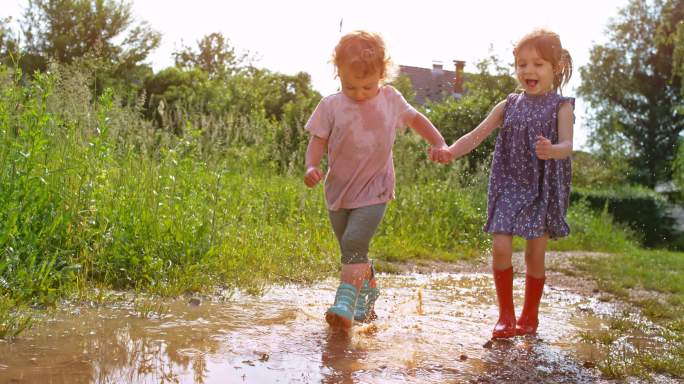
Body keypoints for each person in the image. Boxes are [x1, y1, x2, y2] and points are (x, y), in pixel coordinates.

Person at [304, 30, 449, 330]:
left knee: (355, 242)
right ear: (338, 74)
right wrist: (311, 166)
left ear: (382, 74)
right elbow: (318, 140)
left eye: (367, 86)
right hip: (338, 191)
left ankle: (345, 302)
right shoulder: (331, 105)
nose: (358, 93)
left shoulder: (390, 99)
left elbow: (416, 119)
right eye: (350, 86)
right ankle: (368, 290)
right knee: (350, 249)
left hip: (375, 188)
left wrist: (439, 142)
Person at [435, 29, 574, 338]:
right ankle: (505, 316)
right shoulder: (508, 104)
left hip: (541, 187)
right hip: (509, 184)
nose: (528, 71)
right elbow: (476, 134)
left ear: (557, 67)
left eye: (538, 64)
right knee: (500, 247)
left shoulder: (561, 107)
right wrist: (450, 152)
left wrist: (553, 150)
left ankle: (530, 315)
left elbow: (568, 145)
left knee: (533, 255)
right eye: (522, 64)